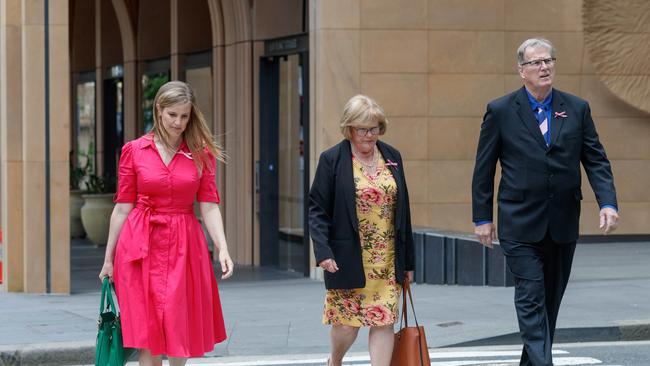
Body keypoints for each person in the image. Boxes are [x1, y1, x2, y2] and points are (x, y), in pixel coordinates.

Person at [471, 38, 619, 366]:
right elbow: (484, 167)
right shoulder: (501, 111)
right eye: (536, 63)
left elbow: (595, 159)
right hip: (519, 222)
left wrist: (608, 202)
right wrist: (482, 217)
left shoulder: (576, 108)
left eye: (549, 61)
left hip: (563, 221)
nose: (544, 67)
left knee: (549, 302)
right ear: (521, 71)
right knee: (530, 296)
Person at [98, 81, 234, 366]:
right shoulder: (134, 151)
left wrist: (222, 247)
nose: (179, 122)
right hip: (139, 246)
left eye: (184, 116)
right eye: (172, 115)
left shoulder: (201, 153)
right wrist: (109, 258)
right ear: (159, 110)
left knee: (177, 323)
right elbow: (122, 208)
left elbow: (209, 205)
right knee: (147, 330)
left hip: (184, 243)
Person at [309, 95, 415, 366]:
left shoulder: (392, 156)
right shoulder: (332, 159)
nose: (369, 135)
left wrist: (409, 262)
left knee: (383, 321)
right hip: (347, 256)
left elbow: (403, 212)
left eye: (375, 128)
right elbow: (317, 209)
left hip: (387, 259)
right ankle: (335, 360)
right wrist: (323, 251)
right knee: (347, 324)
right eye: (362, 129)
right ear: (349, 129)